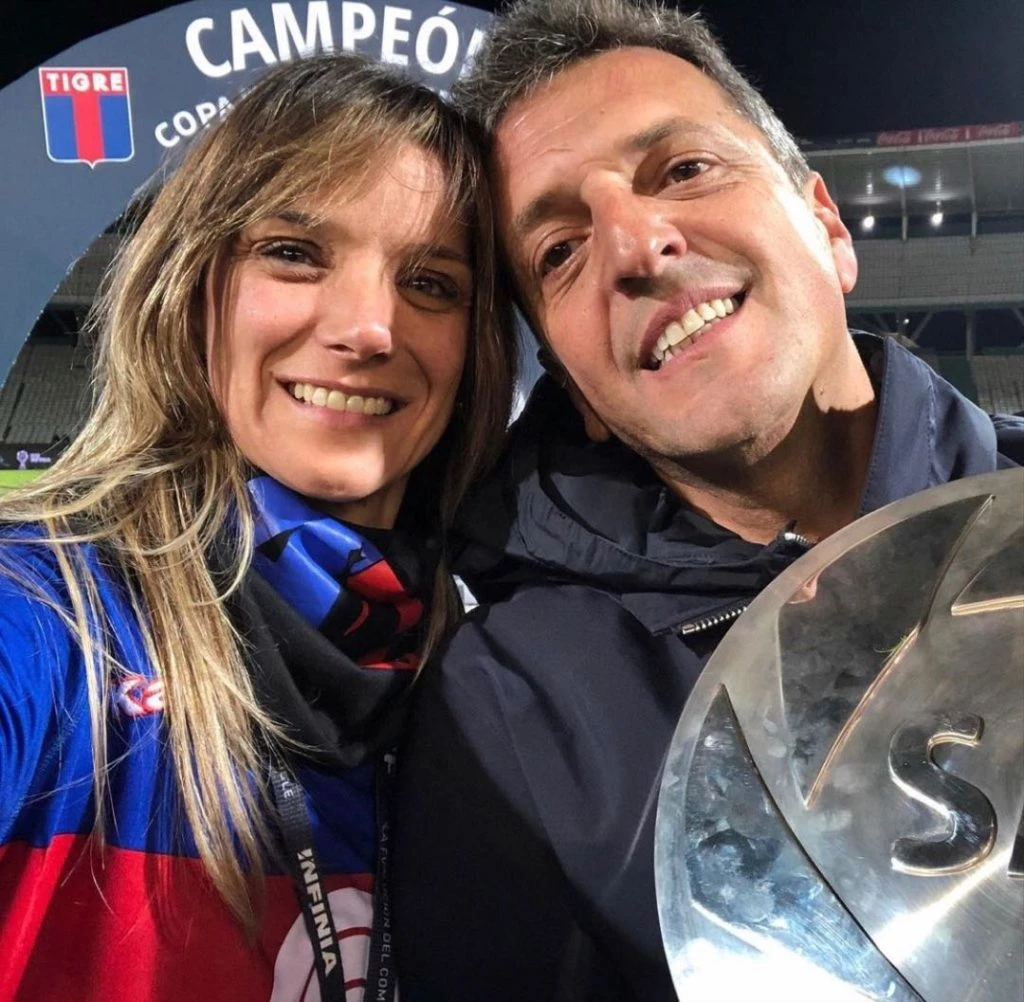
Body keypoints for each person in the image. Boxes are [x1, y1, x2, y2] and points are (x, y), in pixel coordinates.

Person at [391, 2, 1024, 999]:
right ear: (573, 387)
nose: (634, 246)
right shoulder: (515, 707)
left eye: (684, 169)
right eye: (559, 250)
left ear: (828, 226)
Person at [0, 53, 516, 1002]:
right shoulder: (47, 610)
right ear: (194, 288)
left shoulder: (488, 681)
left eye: (431, 282)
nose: (370, 328)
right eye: (294, 253)